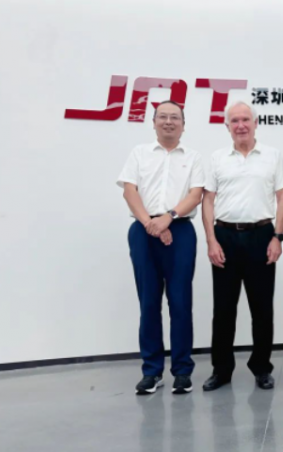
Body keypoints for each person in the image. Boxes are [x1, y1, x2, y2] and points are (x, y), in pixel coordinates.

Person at [117, 100, 205, 395]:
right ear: (153, 122)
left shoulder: (193, 157)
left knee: (180, 302)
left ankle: (182, 371)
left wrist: (168, 218)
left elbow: (196, 194)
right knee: (149, 302)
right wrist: (151, 224)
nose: (169, 122)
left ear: (183, 125)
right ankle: (151, 371)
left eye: (175, 118)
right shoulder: (139, 153)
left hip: (180, 230)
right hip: (143, 231)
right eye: (163, 117)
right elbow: (129, 191)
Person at [202, 100, 283, 391]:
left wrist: (277, 236)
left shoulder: (272, 156)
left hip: (261, 236)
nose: (241, 125)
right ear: (227, 126)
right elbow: (208, 200)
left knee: (262, 308)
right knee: (223, 310)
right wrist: (211, 240)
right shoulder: (217, 158)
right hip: (225, 237)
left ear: (255, 123)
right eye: (235, 121)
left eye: (245, 120)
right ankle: (221, 370)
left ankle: (261, 367)